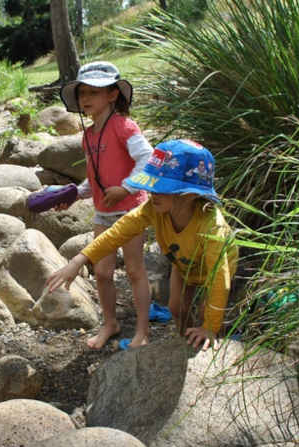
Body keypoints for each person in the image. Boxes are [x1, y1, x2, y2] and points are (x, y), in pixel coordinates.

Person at [46, 139, 238, 351]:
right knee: (176, 307)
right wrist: (78, 261)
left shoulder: (212, 227)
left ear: (190, 194)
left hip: (214, 269)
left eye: (161, 187)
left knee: (206, 313)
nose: (151, 192)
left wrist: (210, 326)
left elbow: (220, 281)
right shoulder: (153, 208)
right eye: (151, 185)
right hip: (183, 265)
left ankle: (208, 337)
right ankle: (186, 343)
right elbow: (117, 233)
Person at [58, 61, 154, 350]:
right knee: (102, 272)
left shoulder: (124, 126)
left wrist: (126, 186)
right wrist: (74, 194)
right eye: (82, 93)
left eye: (94, 92)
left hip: (131, 209)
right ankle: (110, 323)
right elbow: (95, 177)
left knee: (135, 270)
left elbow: (149, 159)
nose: (85, 99)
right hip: (103, 211)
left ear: (112, 95)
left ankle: (142, 329)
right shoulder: (88, 135)